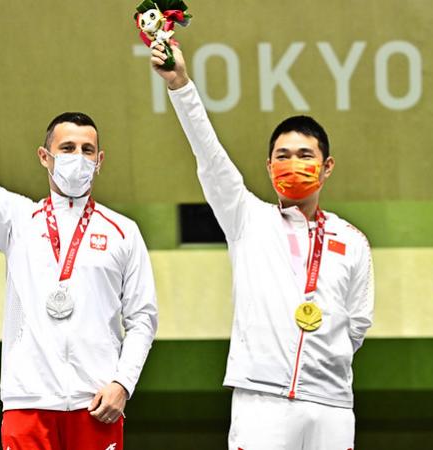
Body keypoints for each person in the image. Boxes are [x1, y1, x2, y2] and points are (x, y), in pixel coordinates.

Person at [0, 47, 158, 450]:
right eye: (67, 148)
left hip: (96, 404)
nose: (77, 158)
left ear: (99, 161)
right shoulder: (16, 219)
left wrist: (122, 384)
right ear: (45, 157)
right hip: (27, 403)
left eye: (86, 150)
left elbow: (143, 318)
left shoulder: (123, 231)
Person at [150, 43, 374, 450]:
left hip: (332, 404)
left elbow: (357, 324)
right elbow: (209, 155)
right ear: (269, 168)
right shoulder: (247, 218)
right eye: (283, 156)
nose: (293, 164)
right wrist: (180, 85)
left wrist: (322, 359)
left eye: (305, 155)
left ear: (327, 167)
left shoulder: (353, 241)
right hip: (262, 398)